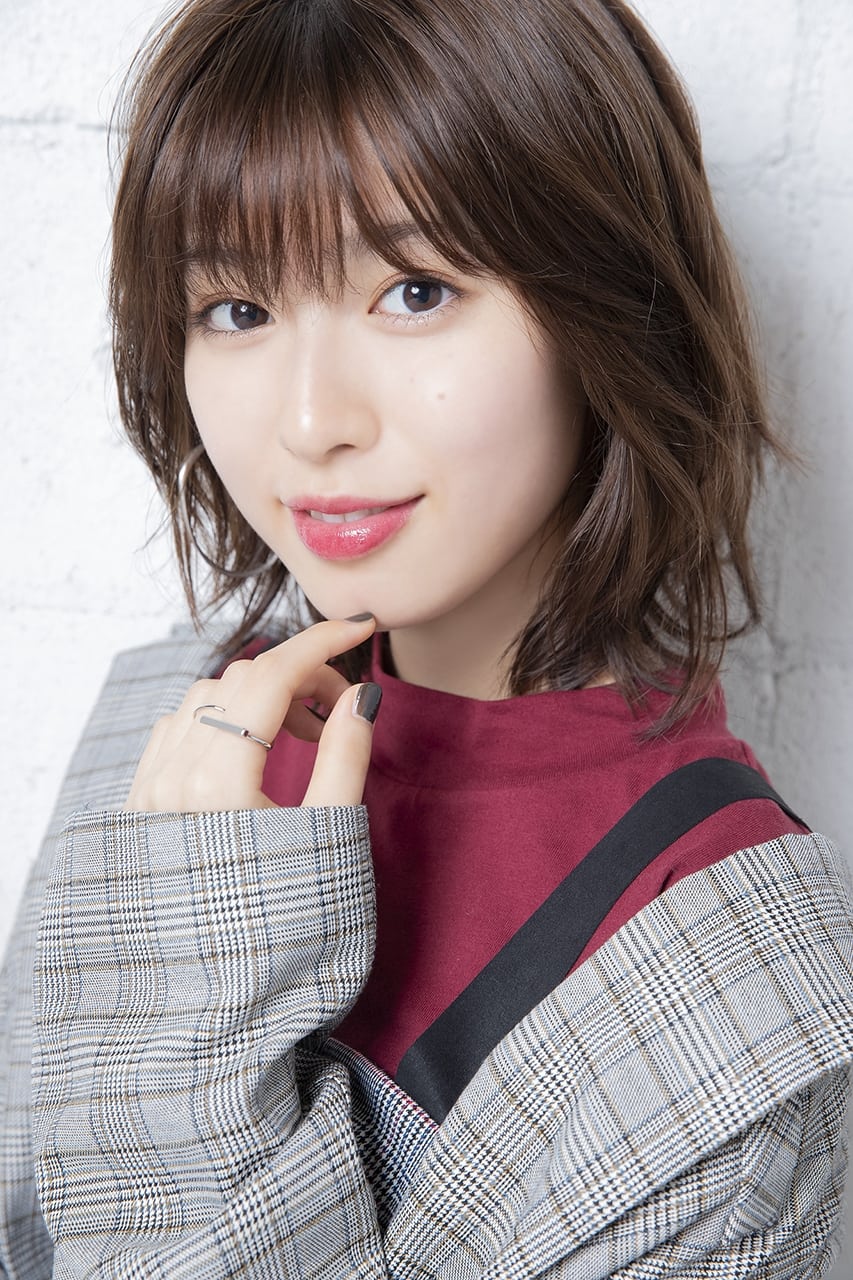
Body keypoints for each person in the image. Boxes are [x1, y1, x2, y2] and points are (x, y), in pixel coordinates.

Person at [1, 0, 852, 1275]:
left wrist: (192, 1006)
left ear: (608, 306)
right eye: (235, 307)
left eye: (413, 291)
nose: (309, 421)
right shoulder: (173, 725)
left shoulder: (727, 969)